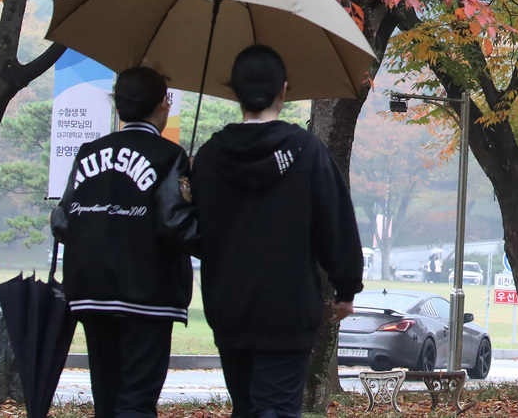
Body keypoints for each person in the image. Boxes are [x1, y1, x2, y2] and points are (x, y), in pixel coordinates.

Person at [192, 45, 363, 418]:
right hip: (289, 307)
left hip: (229, 306)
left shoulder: (208, 158)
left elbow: (195, 230)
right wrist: (345, 287)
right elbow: (335, 222)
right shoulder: (307, 152)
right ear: (284, 90)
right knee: (278, 407)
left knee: (247, 406)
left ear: (232, 90)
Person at [51, 67, 198, 418]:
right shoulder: (169, 157)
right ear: (163, 104)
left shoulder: (88, 153)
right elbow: (175, 224)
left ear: (118, 106)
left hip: (89, 290)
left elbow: (62, 221)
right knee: (137, 399)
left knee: (107, 397)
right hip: (147, 293)